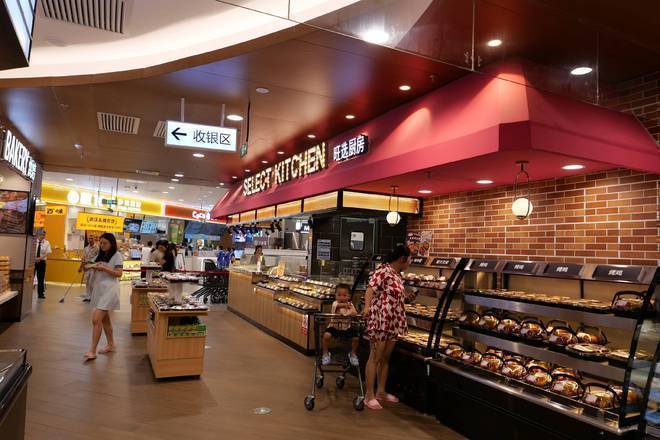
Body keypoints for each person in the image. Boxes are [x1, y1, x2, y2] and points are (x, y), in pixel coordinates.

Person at [362, 245, 415, 410]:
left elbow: (393, 295)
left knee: (385, 358)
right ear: (402, 259)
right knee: (375, 357)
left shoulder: (397, 274)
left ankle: (381, 392)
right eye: (410, 259)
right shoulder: (383, 270)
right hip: (381, 320)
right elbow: (370, 289)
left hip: (393, 321)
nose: (410, 263)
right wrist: (367, 309)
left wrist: (407, 298)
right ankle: (368, 395)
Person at [84, 233, 123, 360]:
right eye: (101, 243)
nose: (102, 245)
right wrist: (91, 265)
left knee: (96, 319)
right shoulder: (99, 255)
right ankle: (111, 344)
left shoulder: (117, 256)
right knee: (105, 320)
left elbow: (119, 273)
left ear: (111, 243)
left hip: (110, 290)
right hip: (99, 289)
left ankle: (92, 350)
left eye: (105, 243)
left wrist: (104, 268)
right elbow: (86, 266)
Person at [321, 284, 359, 367]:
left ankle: (353, 353)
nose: (341, 297)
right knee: (326, 336)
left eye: (344, 295)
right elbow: (337, 306)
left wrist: (351, 311)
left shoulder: (351, 305)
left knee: (356, 338)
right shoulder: (335, 303)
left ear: (349, 296)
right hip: (334, 327)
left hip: (346, 328)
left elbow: (354, 313)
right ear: (335, 296)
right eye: (339, 295)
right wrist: (345, 306)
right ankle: (325, 353)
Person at [78, 234, 99, 302]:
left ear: (94, 239)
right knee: (87, 282)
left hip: (93, 267)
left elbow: (98, 258)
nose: (90, 240)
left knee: (91, 282)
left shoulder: (97, 248)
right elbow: (83, 258)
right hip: (86, 267)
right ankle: (88, 296)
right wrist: (81, 267)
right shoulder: (86, 248)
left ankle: (92, 296)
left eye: (91, 238)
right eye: (89, 238)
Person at [34, 230, 52, 299]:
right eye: (41, 235)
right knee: (30, 277)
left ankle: (40, 294)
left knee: (41, 278)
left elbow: (48, 252)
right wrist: (35, 258)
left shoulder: (47, 242)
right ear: (38, 235)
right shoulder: (34, 241)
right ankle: (28, 292)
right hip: (33, 261)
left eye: (44, 235)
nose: (43, 236)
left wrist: (40, 258)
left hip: (42, 262)